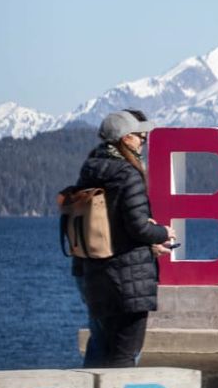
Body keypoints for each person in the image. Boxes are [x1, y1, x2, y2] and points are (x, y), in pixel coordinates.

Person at [72, 109, 175, 367]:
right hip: (127, 280)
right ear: (126, 139)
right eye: (142, 137)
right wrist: (162, 233)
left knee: (99, 348)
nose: (144, 143)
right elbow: (138, 228)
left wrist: (148, 246)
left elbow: (110, 229)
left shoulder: (90, 170)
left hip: (93, 273)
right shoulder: (128, 174)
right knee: (126, 353)